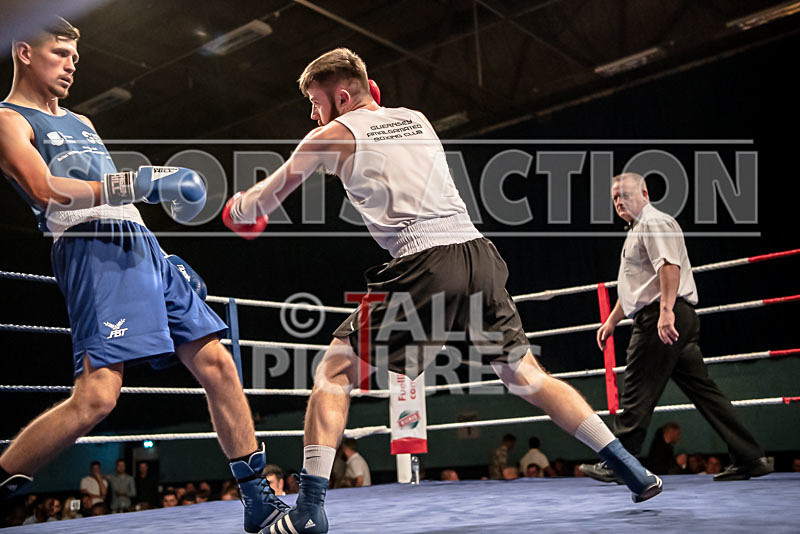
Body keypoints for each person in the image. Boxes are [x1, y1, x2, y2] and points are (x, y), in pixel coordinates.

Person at [223, 48, 661, 533]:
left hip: (424, 261)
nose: (312, 112)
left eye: (315, 101)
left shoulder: (329, 134)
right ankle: (628, 465)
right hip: (478, 254)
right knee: (526, 377)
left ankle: (307, 511)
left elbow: (268, 198)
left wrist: (239, 206)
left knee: (335, 374)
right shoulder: (415, 117)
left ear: (341, 95)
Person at [0, 16, 287, 533]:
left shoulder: (82, 122)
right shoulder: (8, 119)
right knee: (97, 397)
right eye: (60, 54)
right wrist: (143, 180)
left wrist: (157, 257)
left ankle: (259, 500)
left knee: (218, 365)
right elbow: (44, 189)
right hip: (90, 248)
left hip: (139, 246)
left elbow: (118, 193)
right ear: (24, 52)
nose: (70, 66)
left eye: (74, 58)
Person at [580, 173, 773, 483]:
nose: (619, 202)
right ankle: (750, 456)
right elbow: (637, 288)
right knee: (705, 393)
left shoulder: (654, 222)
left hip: (664, 315)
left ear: (644, 193)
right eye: (615, 197)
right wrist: (612, 321)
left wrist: (666, 311)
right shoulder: (638, 229)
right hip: (670, 313)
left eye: (625, 195)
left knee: (636, 388)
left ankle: (620, 462)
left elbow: (669, 267)